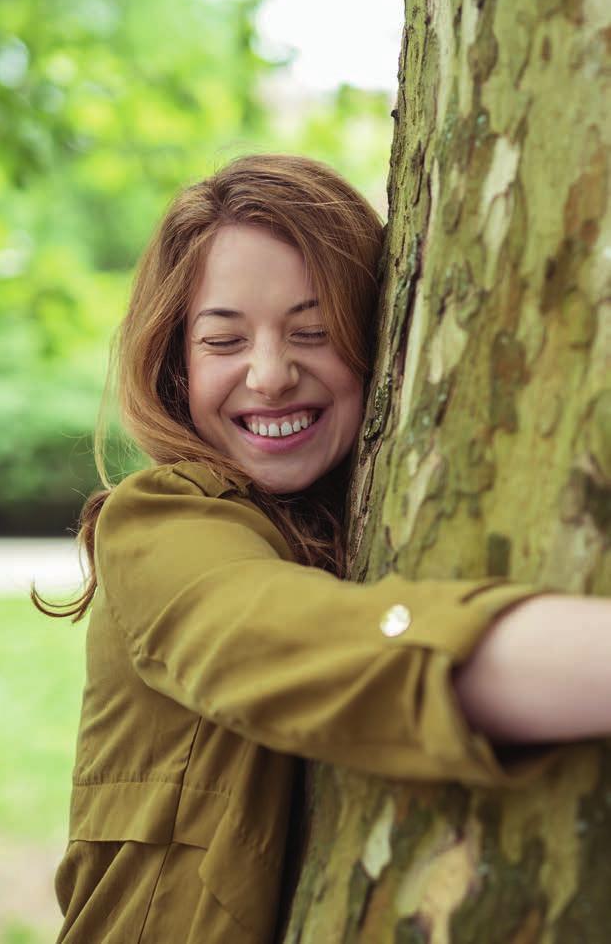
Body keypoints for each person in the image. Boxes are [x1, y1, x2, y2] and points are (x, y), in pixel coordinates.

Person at [35, 153, 610, 944]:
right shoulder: (158, 525)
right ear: (176, 367)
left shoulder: (375, 521)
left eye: (313, 330)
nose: (269, 375)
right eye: (224, 340)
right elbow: (286, 639)